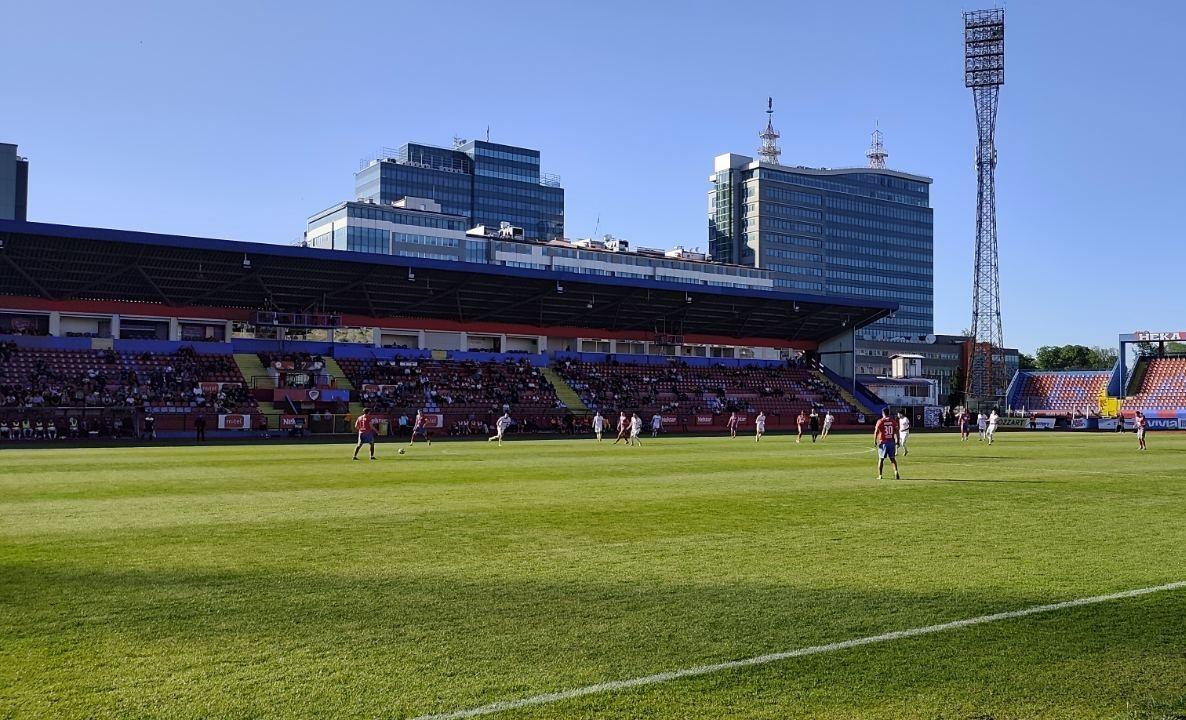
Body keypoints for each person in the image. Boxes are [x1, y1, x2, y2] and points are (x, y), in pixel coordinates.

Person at [874, 407, 901, 480]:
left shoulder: (880, 421)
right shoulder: (892, 421)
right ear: (888, 413)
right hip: (891, 442)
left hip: (883, 442)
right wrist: (898, 441)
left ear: (883, 413)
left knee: (881, 459)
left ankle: (880, 475)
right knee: (892, 459)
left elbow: (876, 431)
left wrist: (875, 441)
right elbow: (897, 431)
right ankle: (896, 471)